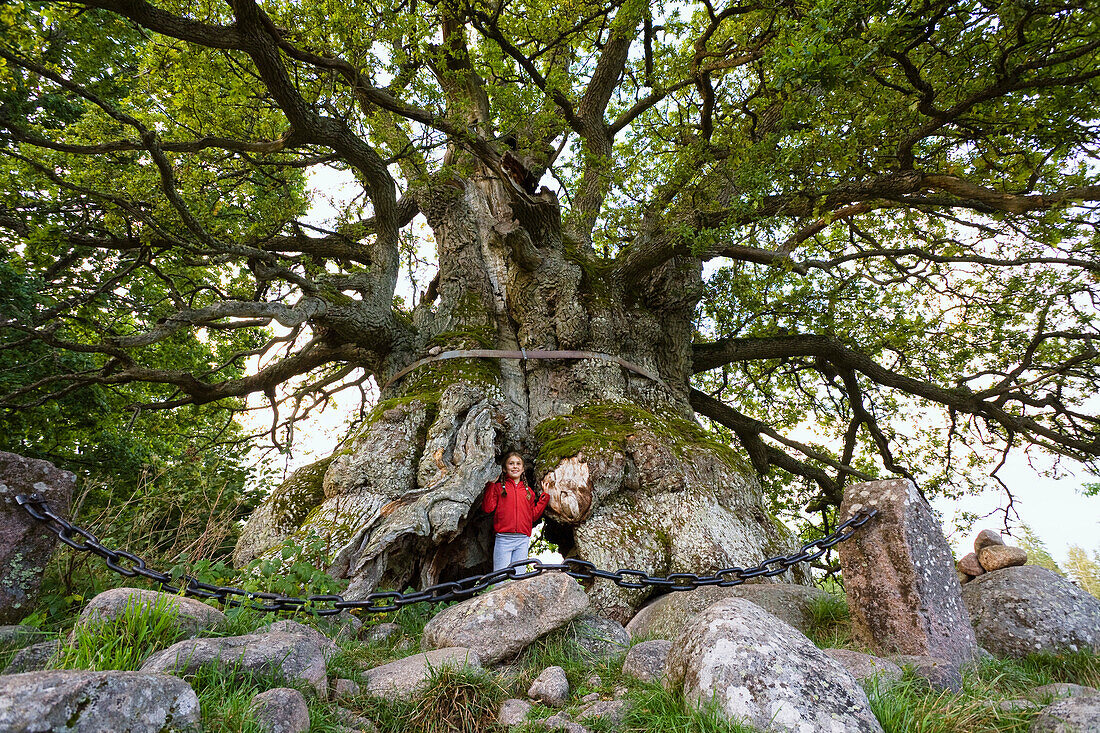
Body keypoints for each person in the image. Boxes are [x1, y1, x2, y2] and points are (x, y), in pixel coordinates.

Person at [482, 451, 549, 572]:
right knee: (499, 577)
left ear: (523, 469)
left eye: (518, 464)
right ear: (504, 468)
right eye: (511, 463)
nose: (515, 466)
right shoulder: (498, 488)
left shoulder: (529, 492)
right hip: (503, 538)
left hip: (522, 539)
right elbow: (488, 508)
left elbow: (533, 516)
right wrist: (491, 485)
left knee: (519, 576)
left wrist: (544, 498)